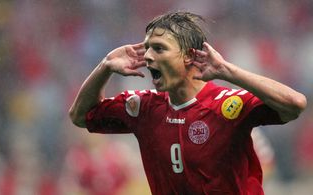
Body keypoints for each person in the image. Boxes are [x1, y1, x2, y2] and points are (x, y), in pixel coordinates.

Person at [69, 11, 307, 195]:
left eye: (159, 49)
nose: (149, 56)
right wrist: (105, 66)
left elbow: (294, 104)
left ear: (189, 56)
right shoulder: (144, 108)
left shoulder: (227, 105)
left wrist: (227, 71)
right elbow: (80, 116)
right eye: (148, 48)